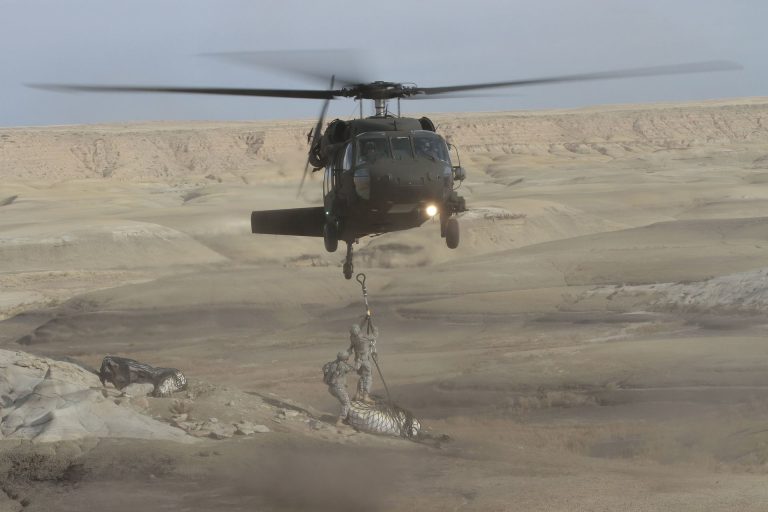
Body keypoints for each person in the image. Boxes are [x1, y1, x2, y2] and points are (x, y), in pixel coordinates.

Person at [347, 322, 378, 403]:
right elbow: (375, 335)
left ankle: (358, 394)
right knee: (368, 377)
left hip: (357, 361)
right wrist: (373, 327)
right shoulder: (364, 338)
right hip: (365, 361)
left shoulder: (352, 338)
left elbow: (358, 329)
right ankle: (365, 396)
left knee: (362, 377)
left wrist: (365, 319)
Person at [322, 352, 355, 426]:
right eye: (347, 359)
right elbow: (352, 369)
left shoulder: (331, 364)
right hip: (338, 388)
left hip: (331, 388)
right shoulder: (342, 365)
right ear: (345, 359)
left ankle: (345, 417)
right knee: (346, 403)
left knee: (343, 401)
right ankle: (340, 421)